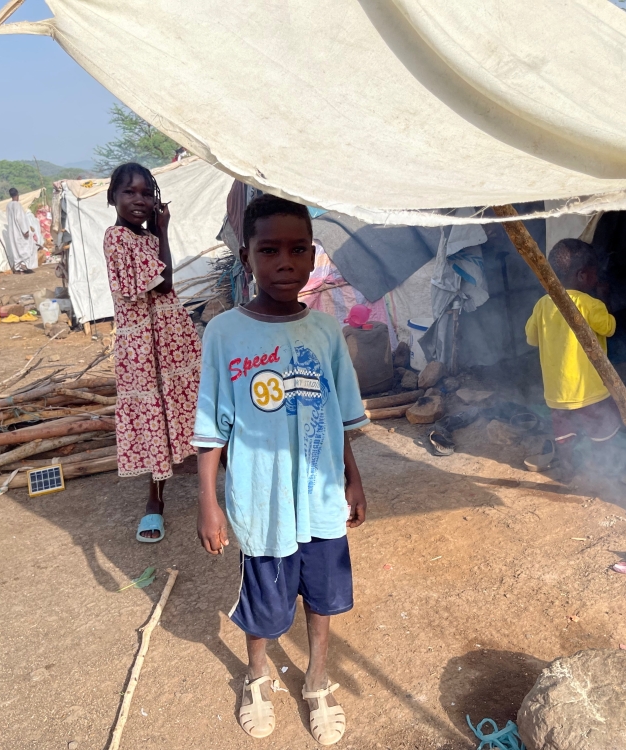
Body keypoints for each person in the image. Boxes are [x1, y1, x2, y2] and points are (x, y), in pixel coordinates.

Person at [194, 195, 368, 745]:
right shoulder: (224, 333)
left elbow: (340, 413)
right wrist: (208, 500)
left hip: (318, 498)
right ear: (246, 256)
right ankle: (256, 674)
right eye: (269, 250)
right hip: (262, 500)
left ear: (313, 255)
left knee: (322, 596)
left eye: (298, 250)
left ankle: (317, 679)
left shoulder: (323, 331)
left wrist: (353, 475)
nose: (285, 262)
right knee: (264, 606)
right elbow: (210, 426)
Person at [104, 163, 201, 543]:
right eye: (129, 192)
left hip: (171, 338)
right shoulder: (117, 238)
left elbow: (164, 281)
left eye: (147, 193)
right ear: (112, 197)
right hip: (142, 346)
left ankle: (211, 474)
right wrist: (163, 231)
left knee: (186, 405)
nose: (139, 200)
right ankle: (154, 502)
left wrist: (159, 234)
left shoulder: (147, 239)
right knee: (151, 419)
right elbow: (163, 285)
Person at [525, 238, 619, 480]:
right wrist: (605, 299)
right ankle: (604, 473)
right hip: (592, 392)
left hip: (558, 395)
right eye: (595, 274)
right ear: (583, 276)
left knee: (565, 436)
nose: (597, 279)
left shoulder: (542, 305)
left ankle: (568, 470)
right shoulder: (591, 304)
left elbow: (531, 338)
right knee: (603, 433)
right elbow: (609, 328)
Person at [5, 187, 36, 274]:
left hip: (12, 231)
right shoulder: (17, 205)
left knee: (16, 249)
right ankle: (24, 266)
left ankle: (18, 267)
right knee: (24, 248)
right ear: (17, 195)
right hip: (19, 231)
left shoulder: (8, 205)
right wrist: (25, 230)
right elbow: (20, 218)